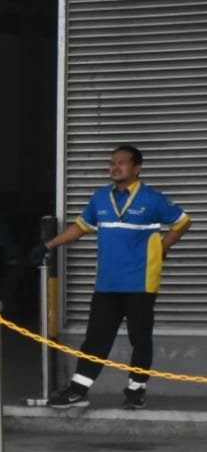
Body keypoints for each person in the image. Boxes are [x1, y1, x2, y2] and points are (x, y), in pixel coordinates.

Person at [38, 144, 190, 410]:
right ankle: (78, 391)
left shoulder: (152, 199)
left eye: (121, 162)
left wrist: (162, 248)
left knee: (139, 338)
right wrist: (49, 245)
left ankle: (136, 391)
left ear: (137, 168)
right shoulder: (99, 198)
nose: (115, 167)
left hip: (140, 283)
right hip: (107, 283)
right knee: (96, 337)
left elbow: (182, 221)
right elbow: (80, 228)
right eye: (112, 162)